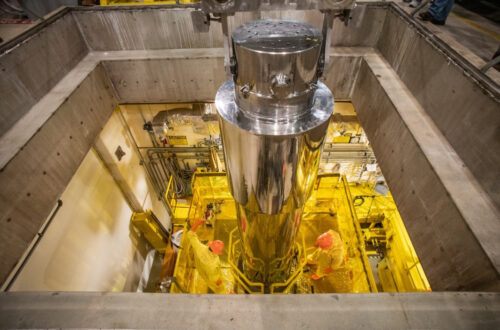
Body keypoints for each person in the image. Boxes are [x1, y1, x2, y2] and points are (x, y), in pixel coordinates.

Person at [185, 218, 229, 294]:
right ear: (216, 252)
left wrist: (198, 222)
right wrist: (220, 284)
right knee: (219, 289)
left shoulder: (200, 248)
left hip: (201, 270)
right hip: (211, 278)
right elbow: (215, 280)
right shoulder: (212, 264)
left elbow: (190, 234)